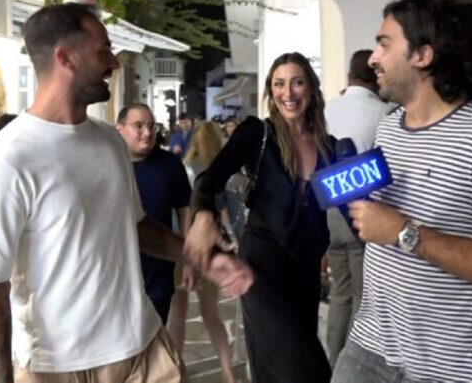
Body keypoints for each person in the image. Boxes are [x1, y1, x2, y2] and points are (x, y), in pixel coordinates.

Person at [0, 3, 252, 383]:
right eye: (103, 50)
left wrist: (201, 258)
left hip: (144, 347)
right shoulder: (5, 161)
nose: (113, 62)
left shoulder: (109, 141)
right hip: (58, 367)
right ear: (65, 58)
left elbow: (135, 227)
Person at [331, 0, 472, 383]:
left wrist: (404, 233)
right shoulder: (389, 128)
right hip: (370, 349)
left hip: (452, 369)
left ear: (423, 55)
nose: (373, 58)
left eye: (384, 44)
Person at [185, 52, 337, 383]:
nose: (288, 93)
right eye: (279, 84)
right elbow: (209, 179)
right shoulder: (257, 133)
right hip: (262, 266)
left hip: (306, 268)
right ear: (271, 91)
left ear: (311, 88)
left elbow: (334, 209)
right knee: (302, 368)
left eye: (297, 82)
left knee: (287, 364)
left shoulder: (329, 146)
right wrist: (203, 216)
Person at [322, 49, 394, 367]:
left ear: (349, 76)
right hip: (365, 215)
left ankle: (333, 362)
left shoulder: (325, 110)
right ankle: (353, 368)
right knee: (363, 297)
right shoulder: (386, 113)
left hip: (327, 212)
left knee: (340, 292)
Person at [167, 120, 235, 383]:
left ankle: (177, 371)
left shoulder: (185, 167)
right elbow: (226, 212)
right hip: (211, 247)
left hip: (183, 245)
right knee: (211, 315)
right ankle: (228, 372)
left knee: (178, 315)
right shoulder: (220, 172)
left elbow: (181, 211)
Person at [116, 103, 191, 325]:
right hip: (117, 274)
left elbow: (185, 210)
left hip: (158, 271)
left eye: (151, 126)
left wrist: (187, 258)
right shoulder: (107, 163)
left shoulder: (170, 165)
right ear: (120, 128)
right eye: (138, 126)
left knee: (156, 335)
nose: (147, 133)